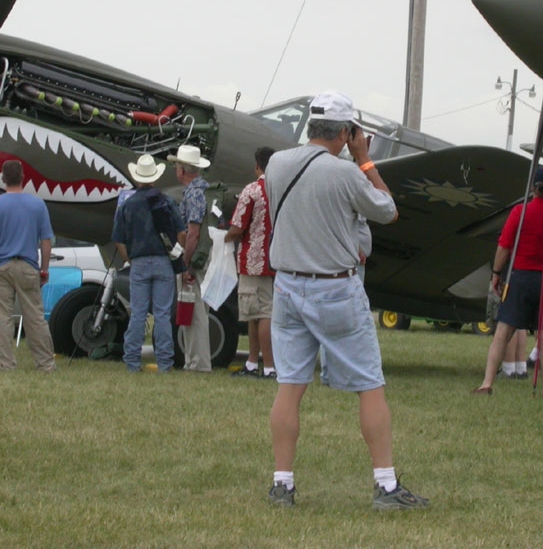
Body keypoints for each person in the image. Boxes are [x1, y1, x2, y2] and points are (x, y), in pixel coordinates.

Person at [264, 90, 428, 510]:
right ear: (346, 131)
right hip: (335, 286)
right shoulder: (346, 173)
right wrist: (365, 160)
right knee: (370, 385)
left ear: (310, 125)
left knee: (289, 386)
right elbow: (388, 210)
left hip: (286, 286)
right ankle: (386, 486)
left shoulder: (277, 164)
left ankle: (282, 484)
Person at [474, 166, 543, 398]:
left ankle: (487, 383)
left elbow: (504, 246)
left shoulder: (520, 212)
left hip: (520, 277)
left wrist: (496, 274)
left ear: (533, 188)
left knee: (503, 332)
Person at [0, 159, 57, 372]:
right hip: (28, 265)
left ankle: (7, 363)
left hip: (1, 266)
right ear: (23, 177)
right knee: (35, 317)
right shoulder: (37, 204)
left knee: (2, 317)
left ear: (2, 178)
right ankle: (46, 363)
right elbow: (46, 240)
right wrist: (44, 268)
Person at [111, 154, 185, 373]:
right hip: (163, 262)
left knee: (138, 313)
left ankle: (132, 362)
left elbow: (118, 239)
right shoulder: (166, 201)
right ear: (154, 177)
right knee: (162, 315)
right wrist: (176, 253)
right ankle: (165, 363)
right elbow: (181, 232)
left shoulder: (127, 205)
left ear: (137, 178)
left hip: (139, 262)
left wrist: (129, 259)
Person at [224, 146, 276, 379]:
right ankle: (254, 363)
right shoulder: (279, 189)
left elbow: (238, 227)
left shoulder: (252, 190)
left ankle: (267, 366)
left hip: (252, 261)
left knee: (260, 314)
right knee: (258, 313)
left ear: (257, 165)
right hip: (275, 260)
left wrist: (224, 237)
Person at [168, 144, 213, 372]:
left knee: (194, 310)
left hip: (194, 258)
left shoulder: (194, 193)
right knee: (195, 308)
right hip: (203, 255)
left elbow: (193, 232)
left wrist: (185, 263)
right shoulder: (203, 190)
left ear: (182, 170)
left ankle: (198, 363)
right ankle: (192, 360)